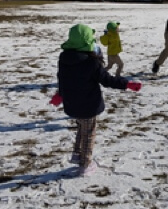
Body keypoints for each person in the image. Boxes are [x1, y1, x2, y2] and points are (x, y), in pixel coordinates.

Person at [51, 24, 142, 177]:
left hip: (73, 104)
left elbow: (63, 78)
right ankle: (85, 164)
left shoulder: (64, 58)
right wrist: (127, 84)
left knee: (82, 129)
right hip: (89, 105)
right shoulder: (91, 62)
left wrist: (60, 94)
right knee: (89, 134)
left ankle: (77, 155)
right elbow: (107, 80)